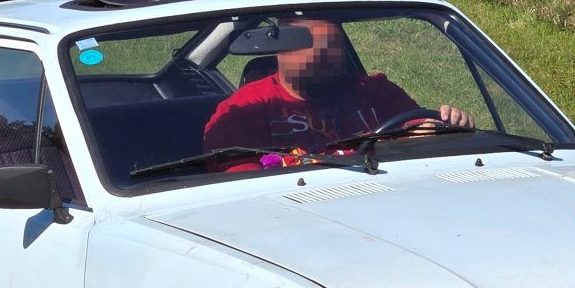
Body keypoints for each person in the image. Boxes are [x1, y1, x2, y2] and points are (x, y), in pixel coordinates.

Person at [202, 17, 473, 170]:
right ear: (282, 49)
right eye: (315, 46)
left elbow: (416, 132)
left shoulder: (374, 91)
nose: (327, 56)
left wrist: (443, 129)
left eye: (333, 46)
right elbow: (241, 190)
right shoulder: (243, 110)